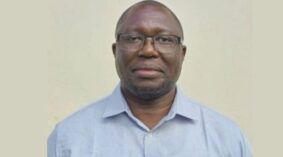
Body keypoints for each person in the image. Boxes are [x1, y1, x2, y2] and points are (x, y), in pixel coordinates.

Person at [48, 0, 252, 157]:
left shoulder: (227, 139)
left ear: (182, 54)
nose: (148, 50)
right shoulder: (69, 138)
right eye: (133, 38)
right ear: (115, 51)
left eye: (164, 39)